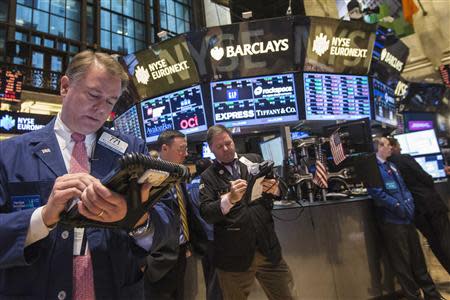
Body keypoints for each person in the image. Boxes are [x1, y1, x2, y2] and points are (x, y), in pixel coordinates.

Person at [0, 50, 163, 299]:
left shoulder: (133, 151)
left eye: (110, 101)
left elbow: (166, 222)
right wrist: (41, 218)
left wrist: (136, 219)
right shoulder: (9, 153)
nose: (101, 109)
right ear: (65, 87)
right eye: (93, 95)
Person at [199, 125, 296, 300]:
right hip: (233, 258)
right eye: (219, 147)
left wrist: (276, 189)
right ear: (211, 149)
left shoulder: (253, 159)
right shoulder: (208, 176)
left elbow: (281, 185)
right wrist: (229, 198)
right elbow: (207, 213)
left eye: (228, 143)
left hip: (267, 249)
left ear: (233, 140)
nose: (226, 148)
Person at [368, 137, 442, 300]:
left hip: (407, 219)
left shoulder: (392, 166)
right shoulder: (373, 169)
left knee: (418, 261)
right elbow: (378, 194)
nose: (390, 148)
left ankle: (432, 295)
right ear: (378, 148)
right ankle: (414, 296)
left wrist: (409, 205)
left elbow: (404, 188)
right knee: (403, 264)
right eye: (387, 145)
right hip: (392, 222)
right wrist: (398, 207)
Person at [144, 130, 207, 300]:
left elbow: (184, 211)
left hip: (182, 252)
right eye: (181, 149)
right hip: (159, 257)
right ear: (165, 148)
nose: (186, 154)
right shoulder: (147, 176)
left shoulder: (178, 173)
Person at [388, 137, 450, 275]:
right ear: (392, 147)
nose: (401, 149)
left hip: (415, 211)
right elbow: (425, 178)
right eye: (399, 146)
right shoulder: (404, 159)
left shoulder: (386, 165)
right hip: (431, 204)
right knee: (446, 239)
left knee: (434, 243)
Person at [187, 158, 223, 300]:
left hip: (200, 237)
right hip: (215, 235)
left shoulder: (189, 186)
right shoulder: (207, 186)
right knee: (217, 278)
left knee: (208, 274)